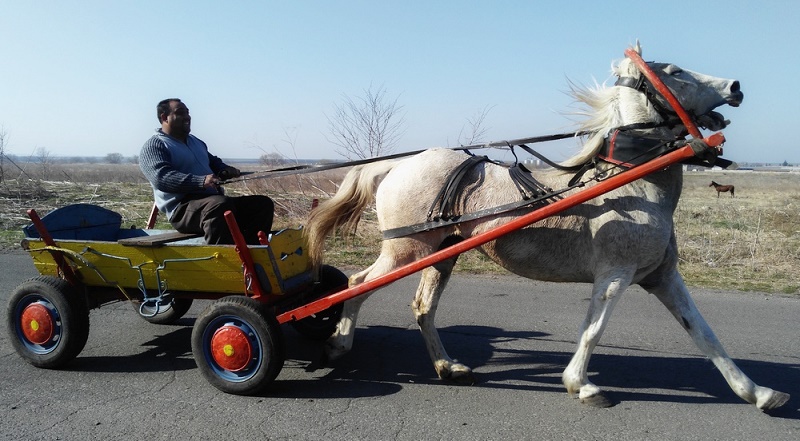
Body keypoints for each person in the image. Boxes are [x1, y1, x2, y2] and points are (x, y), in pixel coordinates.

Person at [139, 98, 274, 245]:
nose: (187, 117)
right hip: (182, 210)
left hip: (211, 203)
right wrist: (201, 181)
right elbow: (162, 178)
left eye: (188, 113)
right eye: (180, 113)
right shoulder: (155, 145)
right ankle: (221, 260)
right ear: (164, 117)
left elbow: (213, 162)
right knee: (219, 205)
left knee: (262, 204)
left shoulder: (196, 142)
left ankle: (252, 252)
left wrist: (225, 170)